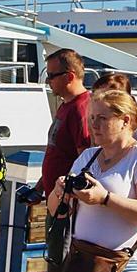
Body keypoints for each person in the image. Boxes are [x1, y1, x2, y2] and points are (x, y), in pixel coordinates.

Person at [47, 90, 137, 272]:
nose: (94, 125)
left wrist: (105, 198)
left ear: (125, 121)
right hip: (85, 261)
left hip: (127, 265)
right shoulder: (87, 156)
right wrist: (60, 191)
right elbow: (54, 210)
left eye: (102, 118)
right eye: (92, 118)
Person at [38, 49, 91, 196]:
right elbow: (58, 152)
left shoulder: (80, 109)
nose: (48, 81)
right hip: (55, 198)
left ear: (69, 77)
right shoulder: (67, 105)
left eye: (51, 76)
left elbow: (84, 161)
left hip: (66, 203)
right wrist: (39, 187)